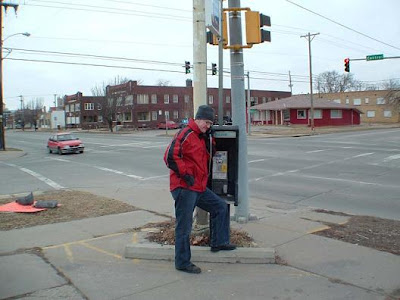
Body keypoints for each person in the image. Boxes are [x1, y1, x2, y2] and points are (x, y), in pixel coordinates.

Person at [164, 105, 236, 274]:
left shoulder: (202, 136)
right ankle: (182, 262)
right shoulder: (186, 133)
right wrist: (186, 175)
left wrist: (209, 139)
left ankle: (219, 241)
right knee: (184, 226)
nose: (208, 126)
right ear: (198, 119)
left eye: (211, 123)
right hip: (184, 187)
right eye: (206, 122)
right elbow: (170, 156)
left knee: (220, 206)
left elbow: (209, 156)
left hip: (198, 187)